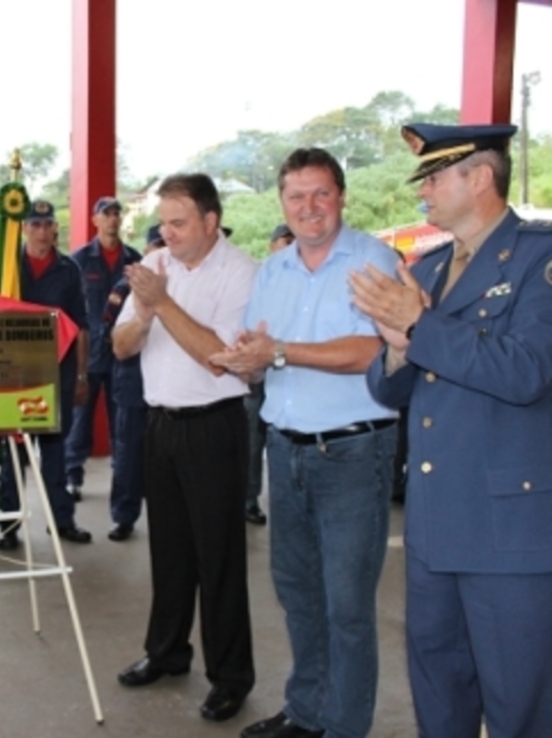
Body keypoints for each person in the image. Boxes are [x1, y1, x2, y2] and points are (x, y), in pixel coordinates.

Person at [352, 123, 552, 738]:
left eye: (435, 177)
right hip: (436, 525)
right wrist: (396, 346)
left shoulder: (539, 261)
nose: (424, 193)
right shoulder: (432, 267)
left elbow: (527, 372)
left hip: (507, 532)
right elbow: (394, 391)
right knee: (439, 694)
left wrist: (423, 326)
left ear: (481, 178)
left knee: (521, 704)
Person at [211, 148, 399, 738]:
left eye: (320, 193)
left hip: (351, 454)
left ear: (341, 195)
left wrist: (281, 353)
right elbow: (265, 353)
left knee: (346, 606)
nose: (309, 207)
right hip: (285, 451)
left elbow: (378, 352)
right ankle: (307, 712)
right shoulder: (275, 270)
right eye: (296, 196)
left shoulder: (372, 262)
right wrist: (250, 362)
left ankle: (344, 726)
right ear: (282, 203)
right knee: (297, 593)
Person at [112, 173, 257, 723]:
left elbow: (218, 355)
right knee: (168, 550)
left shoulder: (241, 272)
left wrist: (162, 303)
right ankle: (167, 651)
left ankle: (231, 676)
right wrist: (144, 313)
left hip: (214, 425)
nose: (166, 234)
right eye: (163, 223)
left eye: (179, 223)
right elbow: (121, 347)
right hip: (160, 423)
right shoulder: (153, 268)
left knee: (218, 556)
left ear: (210, 221)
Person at [0, 199, 91, 548]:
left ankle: (61, 521)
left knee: (55, 455)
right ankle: (8, 526)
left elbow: (81, 327)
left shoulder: (69, 270)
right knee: (14, 456)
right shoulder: (7, 267)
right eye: (33, 225)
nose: (40, 231)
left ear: (55, 229)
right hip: (14, 379)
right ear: (24, 229)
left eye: (46, 224)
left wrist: (82, 376)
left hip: (57, 376)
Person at [64, 196, 142, 501]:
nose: (112, 219)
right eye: (105, 214)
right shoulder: (79, 260)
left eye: (115, 214)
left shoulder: (133, 260)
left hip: (123, 353)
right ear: (95, 220)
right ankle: (73, 476)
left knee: (121, 424)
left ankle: (122, 483)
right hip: (89, 353)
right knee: (79, 420)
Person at [101, 223, 165, 541]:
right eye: (158, 246)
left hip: (169, 386)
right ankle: (124, 516)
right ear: (148, 250)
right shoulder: (126, 286)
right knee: (128, 455)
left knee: (165, 458)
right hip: (133, 382)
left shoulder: (180, 286)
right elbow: (109, 328)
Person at [244, 223, 295, 526]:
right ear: (272, 245)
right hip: (259, 375)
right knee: (253, 441)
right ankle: (249, 499)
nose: (289, 245)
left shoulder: (307, 280)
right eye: (284, 240)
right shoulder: (261, 278)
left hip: (294, 373)